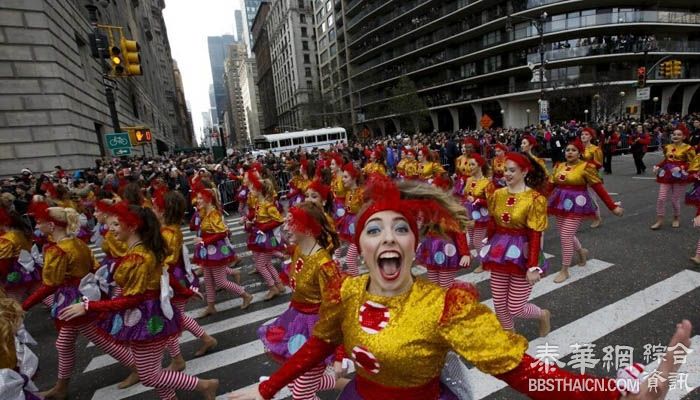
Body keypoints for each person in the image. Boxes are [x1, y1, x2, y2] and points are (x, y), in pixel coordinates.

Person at [228, 175, 693, 400]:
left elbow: (525, 373)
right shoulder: (347, 294)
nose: (387, 237)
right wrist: (270, 388)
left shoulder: (446, 304)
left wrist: (618, 395)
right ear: (361, 247)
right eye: (374, 230)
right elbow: (317, 345)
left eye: (399, 229)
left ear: (414, 244)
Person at [58, 201, 219, 400]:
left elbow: (132, 300)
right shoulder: (141, 250)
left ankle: (204, 385)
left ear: (132, 226)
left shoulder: (139, 257)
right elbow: (164, 275)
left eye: (117, 224)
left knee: (149, 376)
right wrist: (185, 292)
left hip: (144, 318)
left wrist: (89, 306)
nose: (111, 228)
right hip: (145, 314)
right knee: (155, 369)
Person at [23, 203, 138, 399]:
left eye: (40, 223)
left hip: (73, 300)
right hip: (82, 295)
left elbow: (50, 284)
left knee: (98, 337)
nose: (37, 226)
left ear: (51, 226)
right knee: (64, 343)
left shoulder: (58, 250)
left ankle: (138, 367)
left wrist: (24, 306)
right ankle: (61, 387)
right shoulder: (77, 243)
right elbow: (92, 267)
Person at [258, 202, 344, 399]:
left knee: (300, 392)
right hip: (296, 322)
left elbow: (337, 311)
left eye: (292, 223)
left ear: (306, 228)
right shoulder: (299, 250)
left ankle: (348, 383)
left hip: (317, 330)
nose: (286, 228)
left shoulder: (324, 265)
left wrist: (339, 355)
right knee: (299, 382)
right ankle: (348, 384)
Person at [480, 153, 551, 334]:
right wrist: (487, 239)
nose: (507, 174)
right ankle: (510, 338)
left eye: (512, 170)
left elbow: (535, 233)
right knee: (499, 303)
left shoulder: (535, 199)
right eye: (505, 170)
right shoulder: (497, 194)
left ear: (524, 171)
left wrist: (533, 266)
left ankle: (542, 314)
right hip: (498, 253)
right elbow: (493, 221)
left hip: (523, 254)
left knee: (515, 307)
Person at [152, 189, 218, 368]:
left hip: (173, 280)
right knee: (175, 317)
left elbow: (166, 261)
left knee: (172, 318)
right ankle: (204, 341)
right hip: (174, 278)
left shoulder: (169, 233)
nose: (153, 209)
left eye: (155, 206)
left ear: (164, 211)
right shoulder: (167, 230)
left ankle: (178, 359)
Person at [547, 140, 624, 284]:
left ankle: (565, 270)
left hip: (577, 204)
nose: (569, 152)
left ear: (580, 153)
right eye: (568, 149)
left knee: (565, 235)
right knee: (565, 233)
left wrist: (612, 207)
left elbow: (599, 188)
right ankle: (581, 252)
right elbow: (549, 187)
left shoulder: (586, 167)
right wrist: (536, 201)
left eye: (574, 150)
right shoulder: (559, 166)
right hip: (559, 203)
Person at [195, 186, 252, 316]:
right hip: (207, 250)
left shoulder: (214, 213)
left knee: (220, 281)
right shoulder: (204, 212)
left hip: (216, 251)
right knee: (208, 279)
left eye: (199, 198)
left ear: (208, 199)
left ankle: (246, 295)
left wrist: (204, 241)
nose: (196, 200)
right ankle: (211, 306)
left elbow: (221, 233)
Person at [245, 176, 286, 300]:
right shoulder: (259, 204)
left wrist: (263, 227)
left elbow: (279, 220)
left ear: (259, 191)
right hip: (259, 237)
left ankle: (272, 288)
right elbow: (260, 219)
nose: (250, 192)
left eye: (252, 190)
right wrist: (253, 223)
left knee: (261, 265)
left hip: (267, 238)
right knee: (266, 263)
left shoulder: (268, 205)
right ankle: (279, 285)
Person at [651, 127, 695, 230]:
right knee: (661, 198)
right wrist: (658, 166)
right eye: (674, 134)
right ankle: (659, 219)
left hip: (679, 176)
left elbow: (692, 163)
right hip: (667, 175)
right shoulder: (668, 147)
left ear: (684, 137)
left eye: (679, 135)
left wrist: (681, 168)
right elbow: (666, 160)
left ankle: (676, 217)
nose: (676, 136)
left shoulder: (688, 148)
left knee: (675, 200)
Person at [462, 154, 494, 273]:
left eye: (472, 164)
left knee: (477, 241)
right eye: (468, 164)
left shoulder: (487, 183)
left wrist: (477, 200)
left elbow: (491, 203)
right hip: (469, 213)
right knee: (472, 239)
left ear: (480, 165)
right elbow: (464, 195)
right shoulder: (469, 180)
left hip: (481, 215)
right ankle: (485, 258)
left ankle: (484, 263)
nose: (469, 167)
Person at [336, 163, 363, 276]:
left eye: (346, 177)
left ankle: (357, 286)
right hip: (349, 229)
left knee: (350, 260)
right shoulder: (348, 193)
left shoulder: (361, 193)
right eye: (343, 177)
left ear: (354, 178)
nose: (343, 179)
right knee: (338, 253)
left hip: (359, 230)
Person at [580, 128, 605, 228]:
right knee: (580, 198)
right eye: (582, 134)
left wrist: (596, 178)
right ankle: (581, 216)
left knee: (591, 199)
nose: (583, 136)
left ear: (591, 137)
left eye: (586, 134)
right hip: (579, 177)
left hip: (591, 177)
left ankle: (597, 218)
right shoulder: (578, 148)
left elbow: (599, 165)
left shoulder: (595, 149)